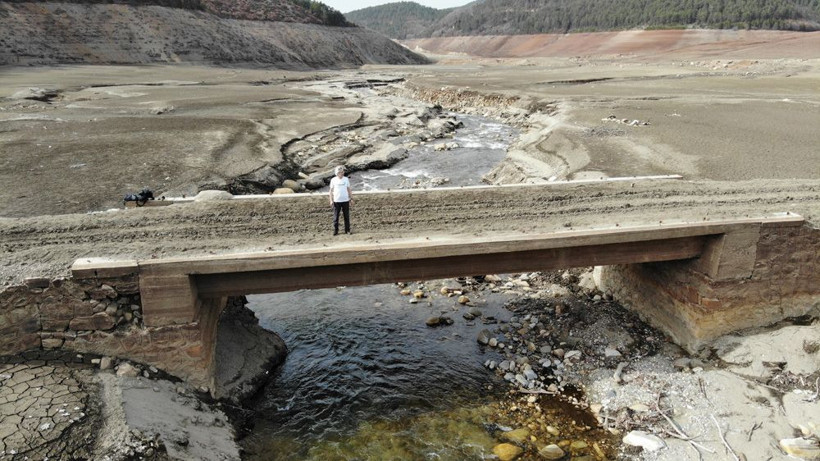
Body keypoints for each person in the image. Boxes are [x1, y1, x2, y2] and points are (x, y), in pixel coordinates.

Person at [329, 165, 353, 235]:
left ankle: (347, 230)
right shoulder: (333, 180)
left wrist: (351, 198)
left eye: (342, 172)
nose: (341, 173)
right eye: (340, 172)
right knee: (336, 217)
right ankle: (336, 230)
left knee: (346, 216)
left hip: (345, 200)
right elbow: (330, 191)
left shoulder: (346, 179)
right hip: (336, 201)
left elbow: (349, 189)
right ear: (337, 173)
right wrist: (331, 200)